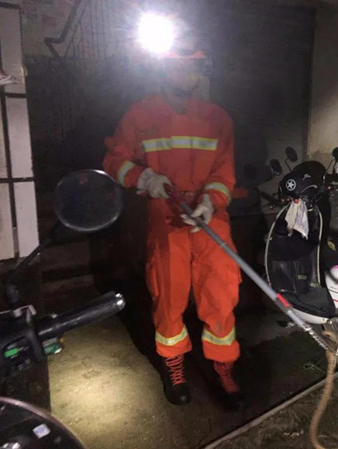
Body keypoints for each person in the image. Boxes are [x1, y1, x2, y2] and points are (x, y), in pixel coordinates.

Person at [102, 37, 242, 408]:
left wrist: (210, 202)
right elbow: (115, 161)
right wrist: (145, 178)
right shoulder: (139, 114)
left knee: (221, 292)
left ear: (201, 69)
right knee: (169, 293)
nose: (185, 72)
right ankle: (173, 363)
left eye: (192, 65)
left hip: (210, 217)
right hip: (165, 213)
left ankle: (223, 366)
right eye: (178, 65)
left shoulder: (218, 118)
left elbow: (224, 173)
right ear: (163, 68)